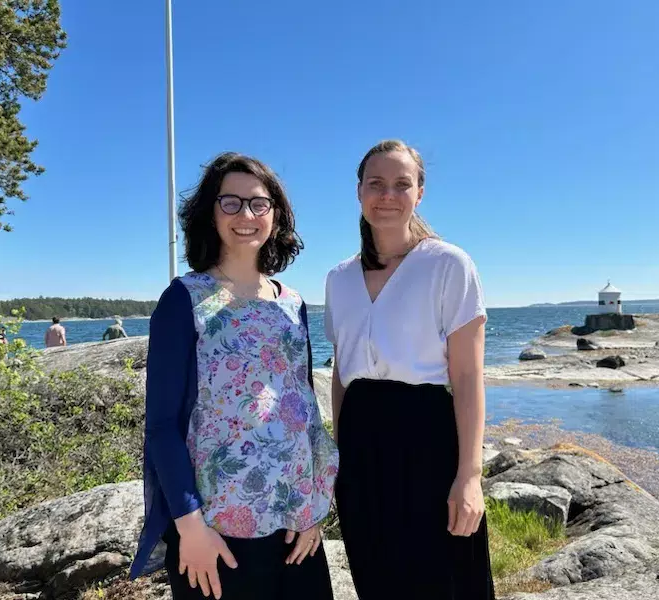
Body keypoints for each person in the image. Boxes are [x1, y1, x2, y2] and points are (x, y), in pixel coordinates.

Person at [129, 152, 339, 600]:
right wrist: (190, 528)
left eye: (258, 204)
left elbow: (305, 408)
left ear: (276, 216)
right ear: (211, 212)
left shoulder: (293, 302)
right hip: (218, 533)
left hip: (295, 525)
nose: (246, 215)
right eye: (231, 203)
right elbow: (162, 426)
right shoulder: (184, 299)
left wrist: (316, 509)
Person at [324, 140, 495, 599]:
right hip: (361, 445)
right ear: (359, 192)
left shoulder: (448, 265)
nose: (387, 195)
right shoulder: (339, 278)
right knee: (376, 574)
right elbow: (344, 372)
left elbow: (466, 378)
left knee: (446, 578)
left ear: (419, 193)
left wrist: (470, 476)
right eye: (376, 183)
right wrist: (340, 456)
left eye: (402, 184)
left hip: (428, 439)